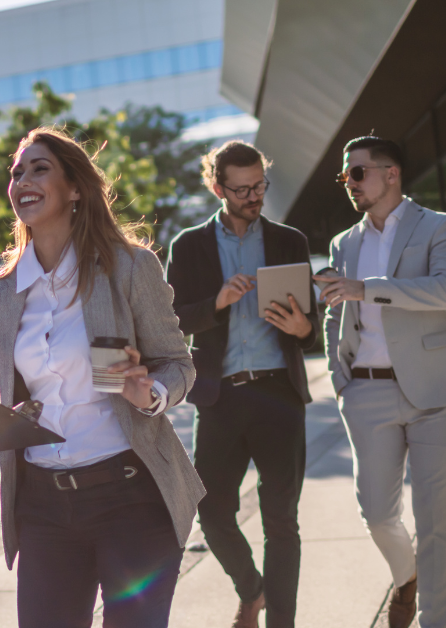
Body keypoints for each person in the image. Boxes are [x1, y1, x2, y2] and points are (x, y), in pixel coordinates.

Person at [0, 126, 203, 628]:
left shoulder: (128, 267)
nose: (22, 180)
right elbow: (9, 395)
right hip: (42, 508)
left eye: (40, 169)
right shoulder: (2, 295)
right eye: (17, 172)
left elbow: (178, 363)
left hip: (130, 497)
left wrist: (150, 394)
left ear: (76, 188)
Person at [317, 136, 446, 628]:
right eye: (345, 175)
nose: (350, 183)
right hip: (366, 392)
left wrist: (366, 289)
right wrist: (339, 376)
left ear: (391, 173)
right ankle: (405, 575)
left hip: (435, 390)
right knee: (376, 513)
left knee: (434, 522)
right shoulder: (344, 243)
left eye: (358, 172)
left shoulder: (440, 226)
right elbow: (337, 315)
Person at [166, 140, 318, 628]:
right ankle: (252, 590)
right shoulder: (188, 246)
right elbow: (170, 321)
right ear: (218, 187)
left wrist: (304, 329)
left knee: (281, 521)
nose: (255, 196)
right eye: (243, 189)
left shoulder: (289, 240)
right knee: (211, 511)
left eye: (260, 186)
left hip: (279, 393)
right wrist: (217, 302)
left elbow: (310, 322)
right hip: (220, 397)